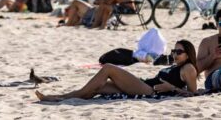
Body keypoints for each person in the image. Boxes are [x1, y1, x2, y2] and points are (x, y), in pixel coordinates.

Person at [36, 40, 199, 101]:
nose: (175, 54)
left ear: (188, 54)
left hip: (150, 91)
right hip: (144, 84)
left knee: (108, 68)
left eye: (179, 52)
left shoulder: (189, 68)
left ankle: (58, 97)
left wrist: (172, 89)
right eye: (173, 51)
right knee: (99, 87)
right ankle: (66, 97)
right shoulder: (177, 66)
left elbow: (193, 93)